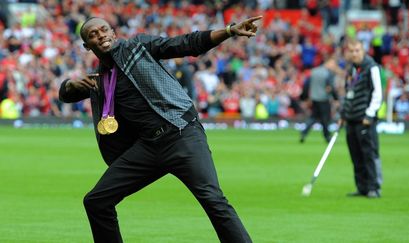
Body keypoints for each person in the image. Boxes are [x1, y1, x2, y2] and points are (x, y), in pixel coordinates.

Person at [59, 16, 262, 243]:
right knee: (96, 201)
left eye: (103, 30)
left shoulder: (138, 47)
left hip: (182, 134)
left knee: (213, 200)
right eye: (93, 35)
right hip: (149, 148)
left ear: (113, 32)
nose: (101, 35)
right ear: (87, 46)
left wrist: (229, 30)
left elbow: (186, 43)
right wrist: (70, 84)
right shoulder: (102, 79)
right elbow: (66, 95)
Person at [339, 39, 383, 198]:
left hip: (364, 119)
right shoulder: (351, 70)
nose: (354, 53)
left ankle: (374, 187)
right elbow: (347, 94)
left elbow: (378, 93)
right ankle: (361, 187)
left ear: (363, 51)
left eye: (357, 50)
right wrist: (343, 114)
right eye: (351, 51)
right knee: (356, 155)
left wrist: (370, 114)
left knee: (369, 154)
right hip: (350, 119)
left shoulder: (372, 68)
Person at [300, 57, 341, 143]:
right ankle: (327, 136)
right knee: (325, 119)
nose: (333, 66)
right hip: (323, 99)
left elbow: (306, 85)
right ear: (328, 63)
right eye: (333, 64)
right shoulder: (328, 73)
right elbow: (330, 87)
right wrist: (336, 98)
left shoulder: (314, 71)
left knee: (313, 117)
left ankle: (304, 132)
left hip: (314, 98)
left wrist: (305, 97)